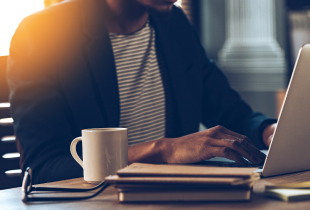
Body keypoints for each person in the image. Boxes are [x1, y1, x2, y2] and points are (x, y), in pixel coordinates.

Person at [7, 0, 276, 184]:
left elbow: (229, 111)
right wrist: (164, 150)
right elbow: (44, 168)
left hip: (174, 200)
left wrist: (271, 131)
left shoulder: (175, 24)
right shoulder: (42, 33)